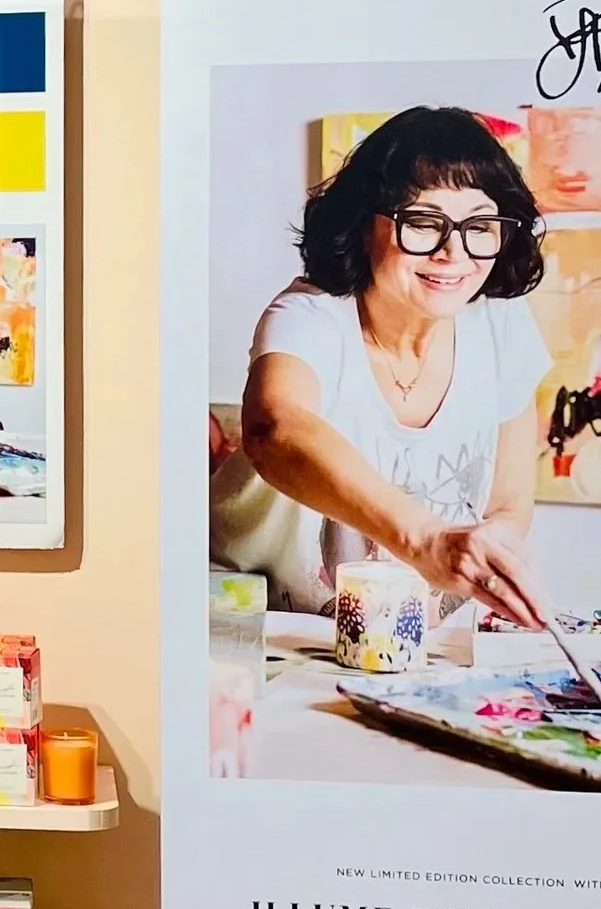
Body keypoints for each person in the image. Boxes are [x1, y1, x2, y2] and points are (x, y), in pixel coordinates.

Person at [225, 106, 552, 627]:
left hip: (419, 645)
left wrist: (494, 570)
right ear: (362, 224)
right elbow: (275, 427)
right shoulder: (310, 316)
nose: (454, 252)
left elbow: (507, 506)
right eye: (423, 222)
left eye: (481, 226)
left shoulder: (501, 323)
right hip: (265, 632)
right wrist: (424, 541)